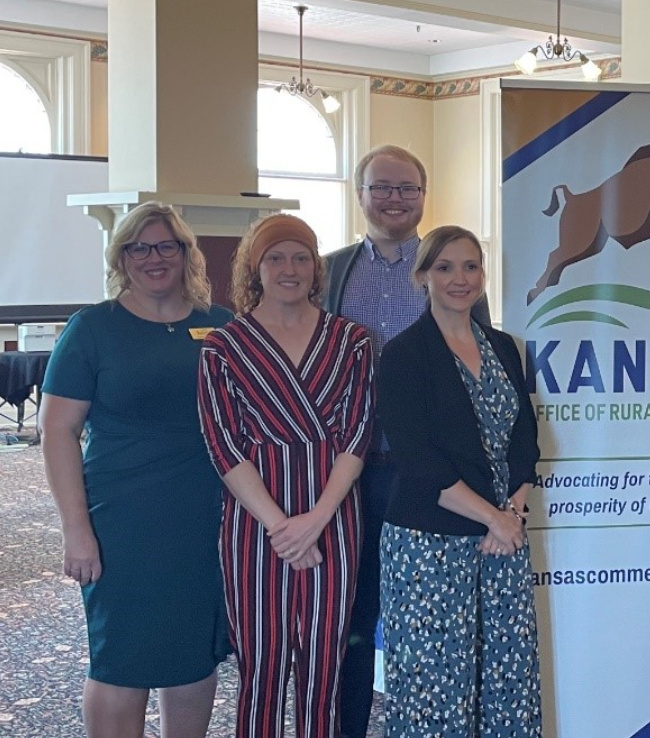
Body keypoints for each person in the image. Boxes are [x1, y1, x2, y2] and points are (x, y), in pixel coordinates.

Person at [39, 202, 232, 738]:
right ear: (121, 257)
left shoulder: (219, 325)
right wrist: (76, 531)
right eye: (139, 247)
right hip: (122, 521)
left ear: (186, 254)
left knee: (195, 654)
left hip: (204, 519)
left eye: (166, 245)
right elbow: (56, 432)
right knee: (121, 658)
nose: (154, 257)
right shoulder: (93, 328)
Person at [322, 144, 491, 738]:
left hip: (437, 478)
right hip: (353, 470)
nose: (395, 198)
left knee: (429, 619)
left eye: (407, 188)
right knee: (353, 615)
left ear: (423, 196)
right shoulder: (330, 270)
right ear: (360, 193)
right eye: (381, 187)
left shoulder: (454, 266)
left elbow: (482, 367)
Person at [198, 214, 375, 737]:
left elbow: (358, 435)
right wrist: (284, 527)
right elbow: (223, 445)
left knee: (326, 665)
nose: (289, 268)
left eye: (301, 257)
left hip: (335, 518)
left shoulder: (352, 342)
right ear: (256, 267)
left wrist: (315, 521)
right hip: (256, 525)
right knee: (263, 666)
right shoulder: (222, 346)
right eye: (276, 257)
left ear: (316, 267)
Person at [375, 225, 541, 735]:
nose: (459, 278)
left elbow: (525, 442)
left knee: (507, 682)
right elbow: (417, 459)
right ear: (422, 275)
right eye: (444, 267)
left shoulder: (506, 348)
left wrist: (509, 516)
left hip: (501, 543)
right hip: (428, 545)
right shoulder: (403, 354)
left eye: (470, 266)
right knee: (436, 688)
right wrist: (494, 518)